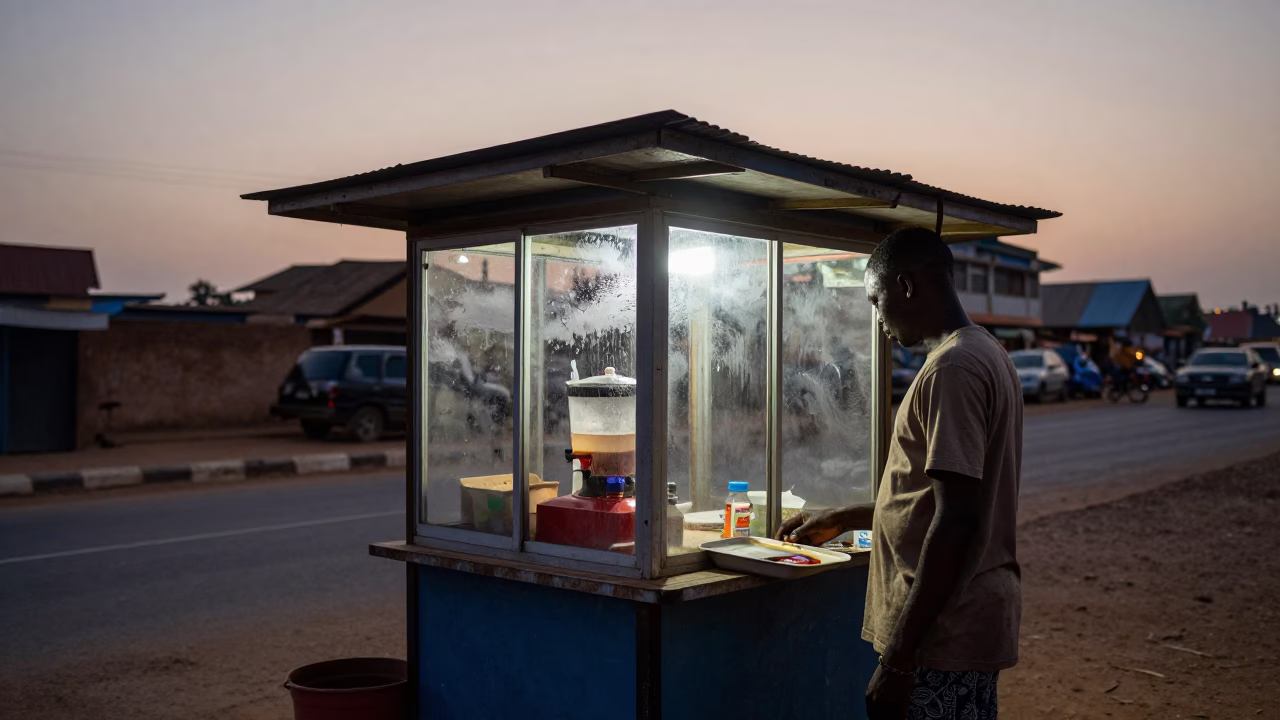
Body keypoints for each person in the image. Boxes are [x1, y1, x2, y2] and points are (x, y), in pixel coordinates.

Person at [779, 227, 1023, 720]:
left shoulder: (952, 369)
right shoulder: (984, 352)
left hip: (941, 636)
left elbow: (957, 520)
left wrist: (899, 659)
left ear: (906, 286)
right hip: (961, 623)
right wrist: (848, 516)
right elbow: (936, 497)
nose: (878, 318)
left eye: (877, 300)